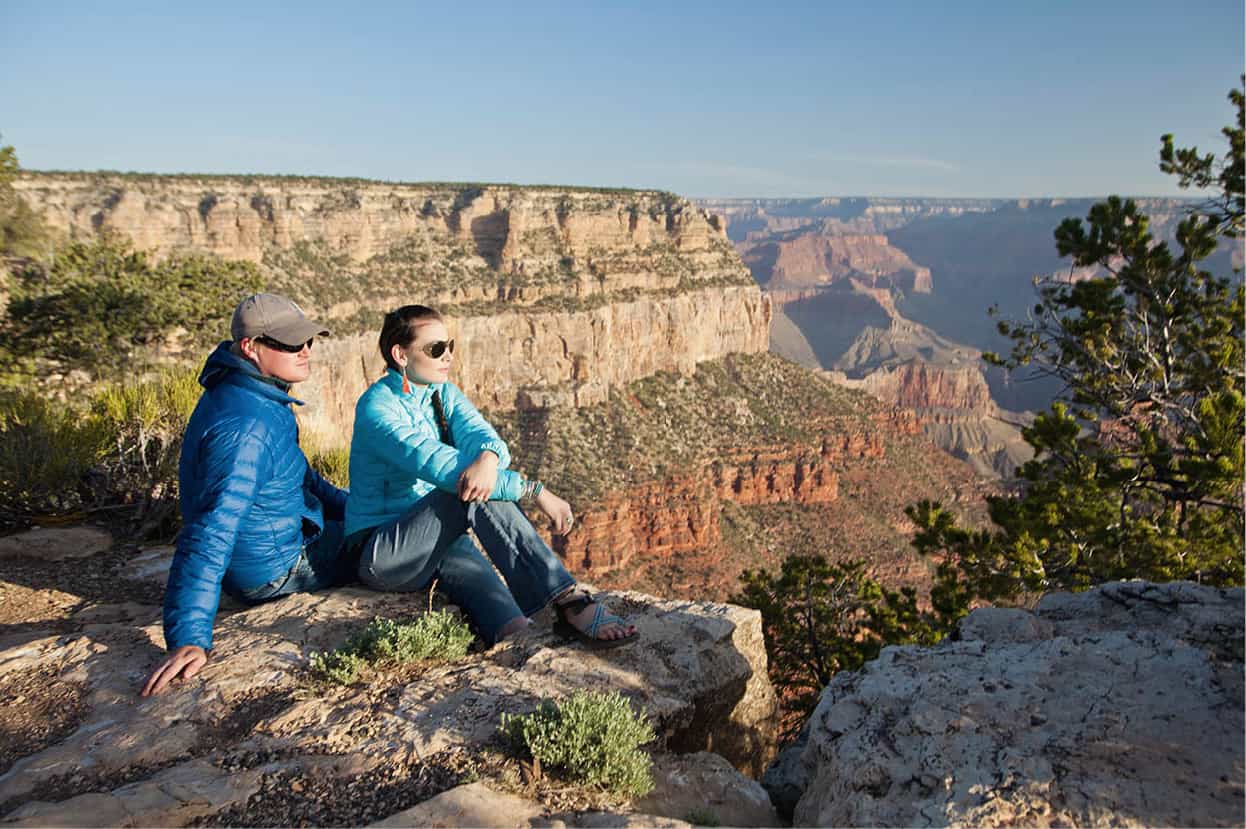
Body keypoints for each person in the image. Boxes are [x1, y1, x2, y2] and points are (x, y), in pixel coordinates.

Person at [345, 304, 638, 649]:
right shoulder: (378, 408)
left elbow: (485, 437)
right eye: (435, 349)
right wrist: (534, 491)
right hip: (383, 552)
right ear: (401, 354)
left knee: (515, 629)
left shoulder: (442, 393)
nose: (448, 356)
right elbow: (445, 470)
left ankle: (529, 639)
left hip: (437, 539)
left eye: (450, 345)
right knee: (471, 494)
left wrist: (487, 458)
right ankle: (570, 601)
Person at [142, 293, 353, 696]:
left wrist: (360, 508)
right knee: (403, 544)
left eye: (308, 340)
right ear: (250, 347)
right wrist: (189, 635)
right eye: (291, 343)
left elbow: (304, 480)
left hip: (282, 536)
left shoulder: (256, 393)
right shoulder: (247, 427)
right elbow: (211, 527)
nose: (305, 350)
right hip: (275, 571)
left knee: (380, 520)